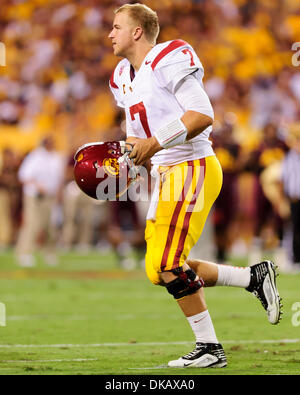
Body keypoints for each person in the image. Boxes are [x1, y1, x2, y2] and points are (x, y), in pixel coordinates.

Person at [108, 3, 282, 368]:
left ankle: (209, 348)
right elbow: (135, 139)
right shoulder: (122, 75)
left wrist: (154, 144)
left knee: (168, 262)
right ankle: (252, 277)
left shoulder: (168, 57)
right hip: (166, 172)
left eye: (117, 26)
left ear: (137, 31)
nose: (110, 34)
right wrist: (115, 165)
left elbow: (202, 114)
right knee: (158, 270)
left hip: (193, 165)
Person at [15, 136, 65, 267]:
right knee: (32, 224)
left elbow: (59, 178)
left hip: (50, 196)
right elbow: (23, 176)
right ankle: (24, 253)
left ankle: (49, 253)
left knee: (50, 225)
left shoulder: (56, 158)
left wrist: (59, 194)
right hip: (34, 196)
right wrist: (38, 186)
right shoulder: (35, 157)